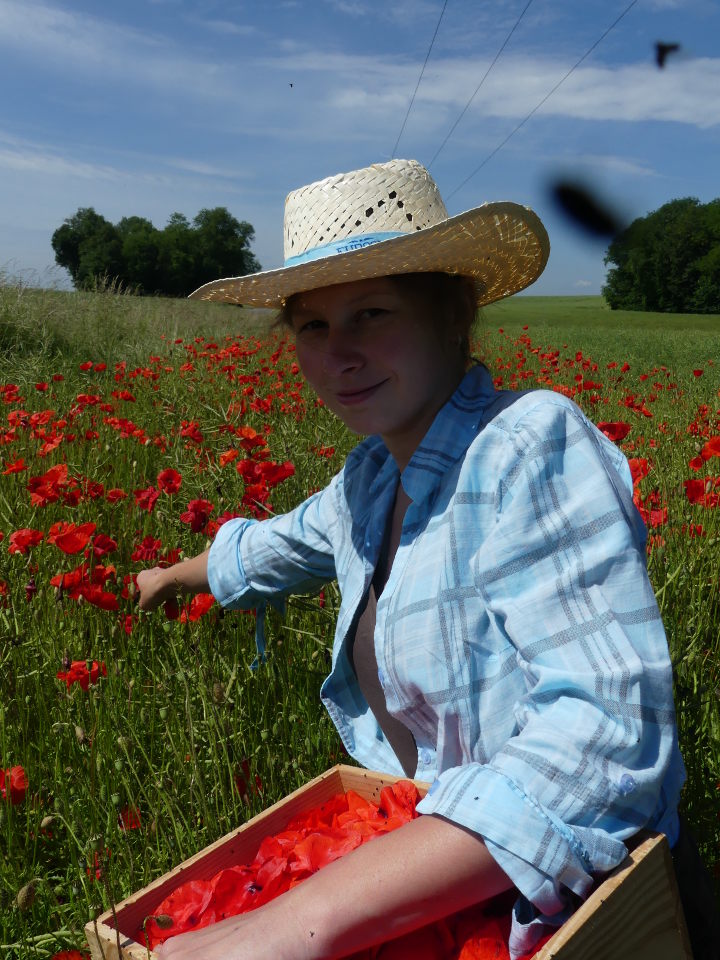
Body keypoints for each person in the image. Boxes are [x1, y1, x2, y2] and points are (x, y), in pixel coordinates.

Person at [136, 159, 694, 960]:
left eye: (371, 313)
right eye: (314, 327)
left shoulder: (525, 446)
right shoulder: (367, 482)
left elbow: (606, 735)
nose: (340, 355)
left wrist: (293, 924)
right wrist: (169, 577)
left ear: (454, 314)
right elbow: (275, 546)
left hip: (571, 897)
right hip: (424, 856)